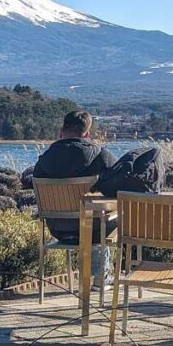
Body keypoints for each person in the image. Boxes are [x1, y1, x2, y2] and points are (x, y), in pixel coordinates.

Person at [32, 110, 117, 285]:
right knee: (104, 216)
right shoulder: (100, 155)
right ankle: (101, 276)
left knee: (92, 220)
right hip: (92, 231)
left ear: (62, 130)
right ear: (87, 133)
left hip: (57, 228)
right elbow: (118, 181)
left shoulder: (44, 159)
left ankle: (89, 276)